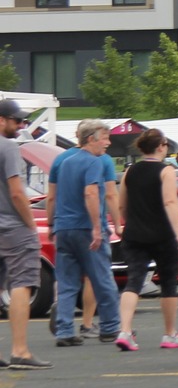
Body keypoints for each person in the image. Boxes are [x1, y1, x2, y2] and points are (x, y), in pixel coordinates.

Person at [112, 129, 178, 352]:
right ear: (160, 147)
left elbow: (121, 204)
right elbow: (170, 202)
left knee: (134, 280)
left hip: (134, 234)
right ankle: (170, 333)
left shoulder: (130, 171)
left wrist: (124, 224)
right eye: (165, 144)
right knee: (168, 282)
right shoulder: (166, 171)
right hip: (162, 234)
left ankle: (125, 331)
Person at [48, 119, 122, 347]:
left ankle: (64, 330)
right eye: (105, 139)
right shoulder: (94, 162)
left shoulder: (65, 162)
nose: (108, 143)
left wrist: (52, 224)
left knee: (67, 283)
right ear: (91, 139)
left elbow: (53, 196)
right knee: (102, 279)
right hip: (85, 228)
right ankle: (110, 327)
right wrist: (97, 228)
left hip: (64, 228)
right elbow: (91, 194)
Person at [0, 99, 48, 369]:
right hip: (12, 226)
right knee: (22, 282)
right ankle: (20, 351)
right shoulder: (8, 147)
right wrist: (30, 224)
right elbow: (17, 192)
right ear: (1, 120)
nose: (21, 125)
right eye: (16, 120)